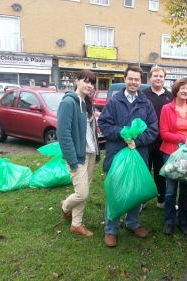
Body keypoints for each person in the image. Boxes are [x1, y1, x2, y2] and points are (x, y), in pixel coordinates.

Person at [98, 65, 158, 247]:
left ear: (141, 82)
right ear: (124, 79)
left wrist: (137, 140)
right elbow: (104, 124)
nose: (133, 82)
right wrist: (122, 134)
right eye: (130, 78)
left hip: (138, 153)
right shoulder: (114, 102)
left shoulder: (145, 103)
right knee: (114, 190)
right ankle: (111, 229)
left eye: (137, 79)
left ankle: (133, 223)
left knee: (135, 189)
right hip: (117, 152)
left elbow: (153, 129)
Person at [57, 69, 100, 237]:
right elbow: (63, 134)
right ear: (77, 81)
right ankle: (65, 206)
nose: (89, 85)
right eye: (86, 81)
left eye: (92, 83)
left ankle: (76, 224)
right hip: (77, 155)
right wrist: (72, 160)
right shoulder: (68, 102)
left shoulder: (87, 102)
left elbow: (91, 132)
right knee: (82, 193)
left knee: (85, 190)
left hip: (89, 152)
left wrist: (96, 153)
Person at [159, 78, 187, 236]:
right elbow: (164, 133)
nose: (185, 91)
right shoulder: (166, 108)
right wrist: (183, 139)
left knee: (185, 189)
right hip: (171, 154)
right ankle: (169, 221)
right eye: (182, 88)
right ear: (176, 91)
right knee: (171, 190)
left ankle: (183, 220)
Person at [142, 66, 173, 209]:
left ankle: (162, 200)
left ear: (164, 78)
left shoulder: (171, 96)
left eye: (161, 76)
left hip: (163, 141)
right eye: (155, 76)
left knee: (161, 173)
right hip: (146, 140)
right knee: (144, 172)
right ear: (150, 77)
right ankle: (141, 201)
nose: (158, 78)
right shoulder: (143, 94)